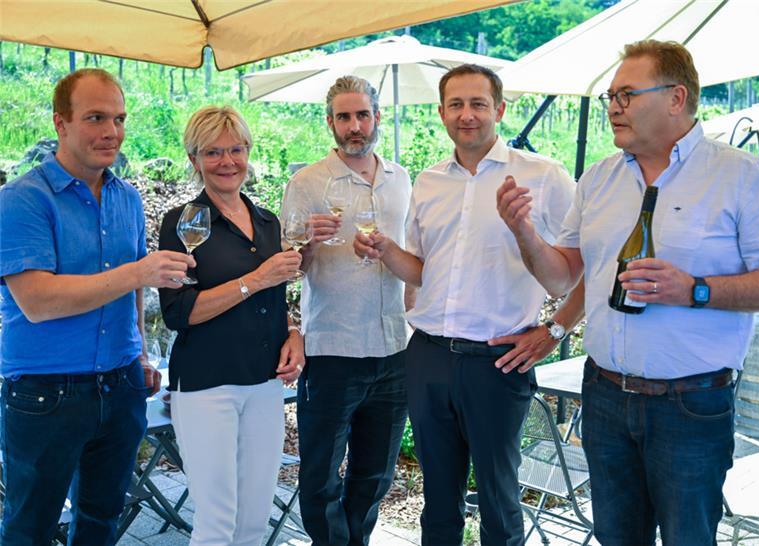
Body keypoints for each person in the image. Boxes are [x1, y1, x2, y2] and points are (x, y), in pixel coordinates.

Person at [497, 40, 759, 545]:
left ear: (676, 97)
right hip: (602, 397)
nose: (612, 108)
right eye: (610, 96)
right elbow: (562, 278)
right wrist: (523, 233)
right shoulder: (599, 178)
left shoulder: (740, 175)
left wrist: (695, 289)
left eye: (626, 94)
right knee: (616, 538)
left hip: (690, 405)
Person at [355, 64, 578, 545]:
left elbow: (577, 272)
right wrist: (386, 252)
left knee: (499, 498)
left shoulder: (543, 176)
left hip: (497, 361)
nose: (467, 114)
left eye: (478, 103)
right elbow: (424, 272)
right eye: (456, 104)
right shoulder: (430, 181)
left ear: (499, 109)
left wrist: (554, 330)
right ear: (441, 113)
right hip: (429, 355)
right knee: (438, 499)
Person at [0, 68, 194, 545]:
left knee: (101, 524)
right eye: (95, 118)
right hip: (46, 394)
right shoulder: (21, 200)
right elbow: (39, 302)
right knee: (30, 531)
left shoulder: (127, 198)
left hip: (122, 382)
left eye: (119, 119)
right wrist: (140, 271)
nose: (112, 132)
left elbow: (134, 293)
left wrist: (141, 354)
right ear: (60, 124)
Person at [158, 106, 304, 546]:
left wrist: (294, 333)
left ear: (248, 152)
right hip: (207, 385)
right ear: (194, 160)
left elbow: (274, 300)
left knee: (255, 520)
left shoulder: (267, 221)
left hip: (263, 384)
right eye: (213, 152)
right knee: (218, 523)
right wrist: (256, 279)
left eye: (236, 149)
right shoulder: (182, 222)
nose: (227, 162)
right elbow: (178, 313)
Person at [280, 75, 411, 546]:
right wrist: (309, 242)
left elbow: (411, 257)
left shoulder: (401, 180)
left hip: (394, 347)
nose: (354, 126)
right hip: (333, 348)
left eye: (362, 115)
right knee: (319, 477)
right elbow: (291, 270)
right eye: (343, 117)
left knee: (375, 477)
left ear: (377, 117)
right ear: (330, 122)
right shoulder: (307, 183)